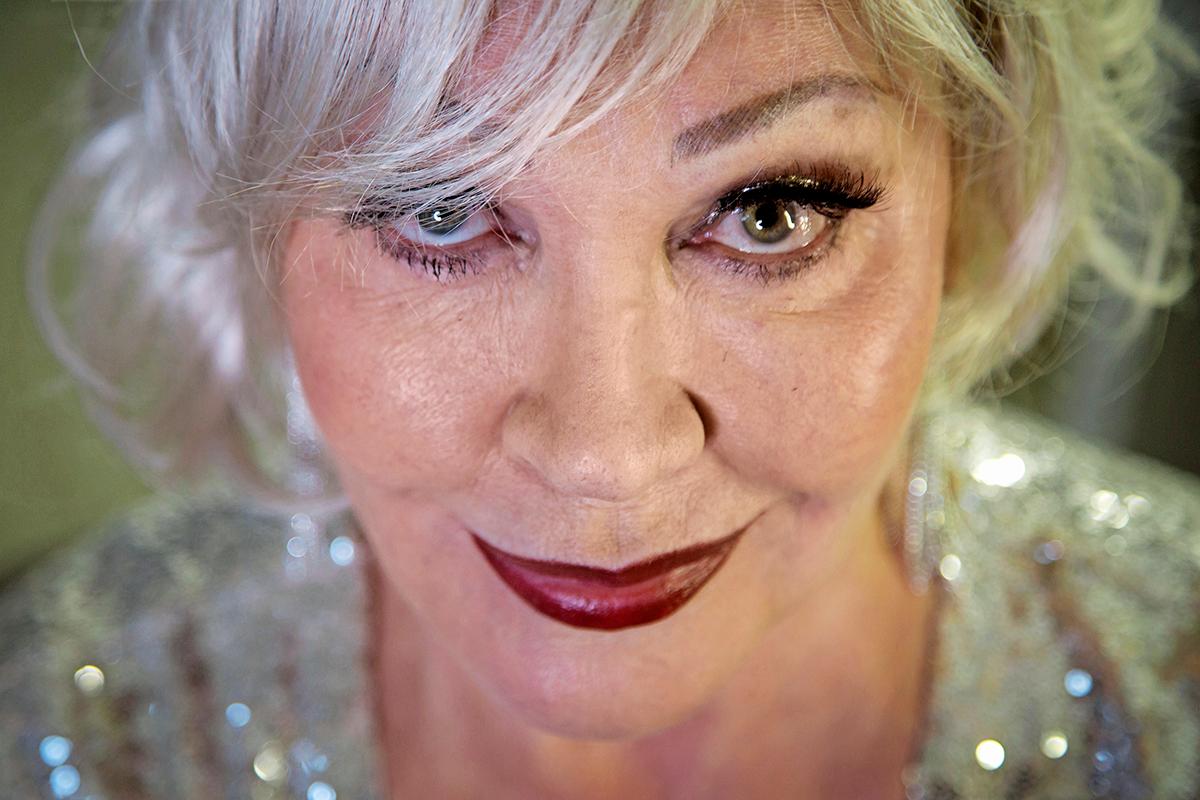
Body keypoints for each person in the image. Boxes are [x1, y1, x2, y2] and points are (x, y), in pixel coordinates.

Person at [3, 0, 1199, 798]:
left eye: (770, 213)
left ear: (976, 190)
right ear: (254, 231)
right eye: (439, 211)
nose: (607, 455)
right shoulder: (72, 710)